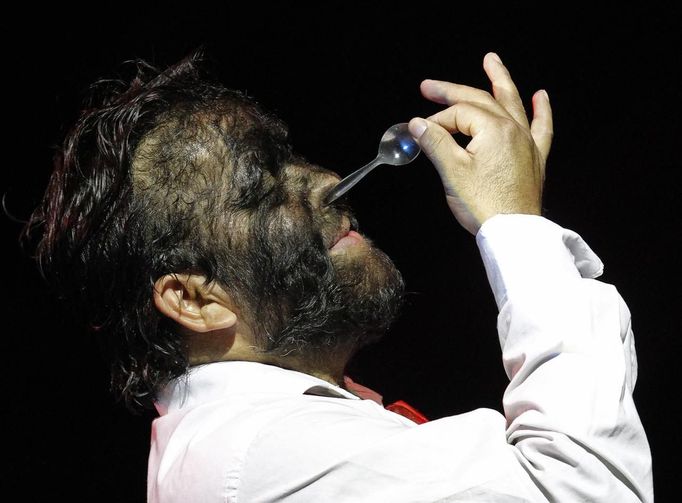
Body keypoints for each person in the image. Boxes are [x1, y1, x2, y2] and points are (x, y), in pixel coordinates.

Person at [25, 49, 653, 502]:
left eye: (291, 158)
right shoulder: (257, 459)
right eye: (260, 188)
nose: (326, 183)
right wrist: (516, 225)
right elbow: (587, 488)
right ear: (193, 299)